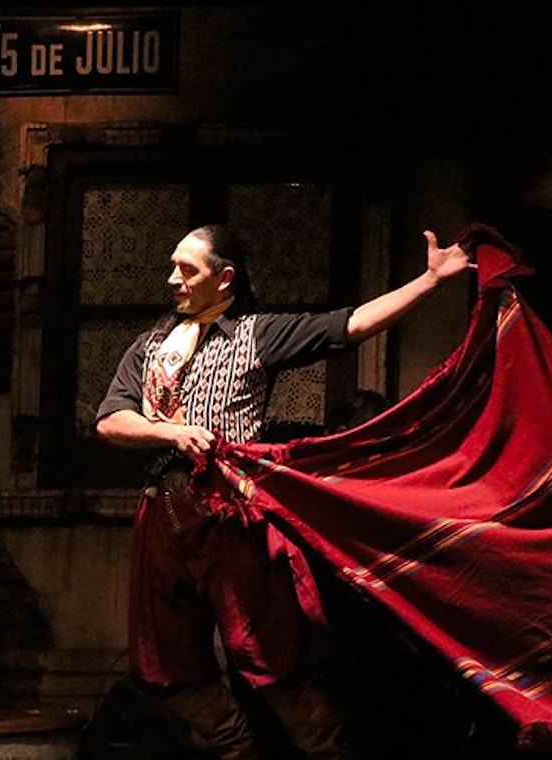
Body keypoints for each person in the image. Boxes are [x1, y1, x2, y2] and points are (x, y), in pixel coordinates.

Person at [94, 225, 474, 759]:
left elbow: (351, 325)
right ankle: (238, 749)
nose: (172, 280)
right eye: (173, 266)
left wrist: (429, 282)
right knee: (166, 662)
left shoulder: (256, 334)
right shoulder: (150, 344)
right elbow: (111, 421)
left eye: (187, 269)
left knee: (271, 656)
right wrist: (169, 431)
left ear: (224, 278)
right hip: (163, 511)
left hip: (227, 513)